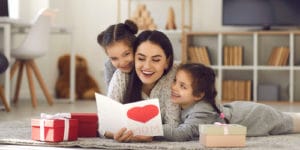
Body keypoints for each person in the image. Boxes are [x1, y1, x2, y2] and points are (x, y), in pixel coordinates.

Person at [162, 63, 300, 141]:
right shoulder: (181, 105)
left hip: (255, 117)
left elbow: (182, 134)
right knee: (288, 116)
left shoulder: (202, 109)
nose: (174, 87)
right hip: (240, 109)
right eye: (175, 81)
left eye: (182, 86)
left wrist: (153, 130)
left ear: (198, 95)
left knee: (288, 122)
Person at [105, 30, 181, 142]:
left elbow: (174, 124)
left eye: (155, 60)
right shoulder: (122, 76)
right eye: (141, 59)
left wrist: (152, 133)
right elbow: (105, 124)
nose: (147, 66)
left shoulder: (175, 76)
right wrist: (114, 133)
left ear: (167, 62)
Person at [97, 20, 138, 88]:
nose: (122, 63)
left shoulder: (144, 63)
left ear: (136, 47)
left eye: (126, 54)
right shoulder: (109, 66)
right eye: (114, 58)